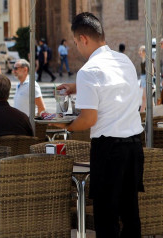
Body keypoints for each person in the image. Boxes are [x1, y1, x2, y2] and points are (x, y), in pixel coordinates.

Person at [54, 12, 144, 237]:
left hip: (109, 150)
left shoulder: (89, 70)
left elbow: (89, 119)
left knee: (106, 217)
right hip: (134, 147)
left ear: (83, 38)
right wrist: (77, 87)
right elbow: (111, 88)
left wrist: (66, 126)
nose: (77, 48)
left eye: (76, 43)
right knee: (131, 214)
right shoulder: (124, 61)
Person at [138, 45, 148, 112]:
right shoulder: (143, 59)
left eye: (140, 51)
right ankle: (152, 113)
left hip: (146, 79)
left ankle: (141, 112)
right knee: (146, 98)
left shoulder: (147, 60)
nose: (139, 52)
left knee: (144, 98)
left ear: (144, 51)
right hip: (143, 78)